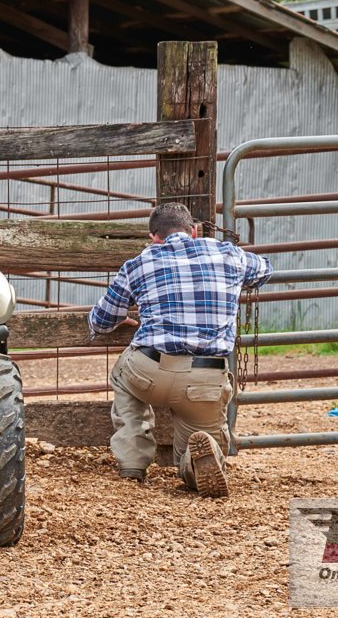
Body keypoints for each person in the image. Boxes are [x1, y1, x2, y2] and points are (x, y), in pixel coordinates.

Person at [88, 202, 271, 497]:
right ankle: (193, 464)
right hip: (205, 379)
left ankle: (133, 463)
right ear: (194, 231)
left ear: (153, 238)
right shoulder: (228, 254)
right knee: (198, 440)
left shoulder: (137, 264)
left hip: (150, 371)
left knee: (123, 374)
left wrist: (121, 316)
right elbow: (265, 270)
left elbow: (100, 321)